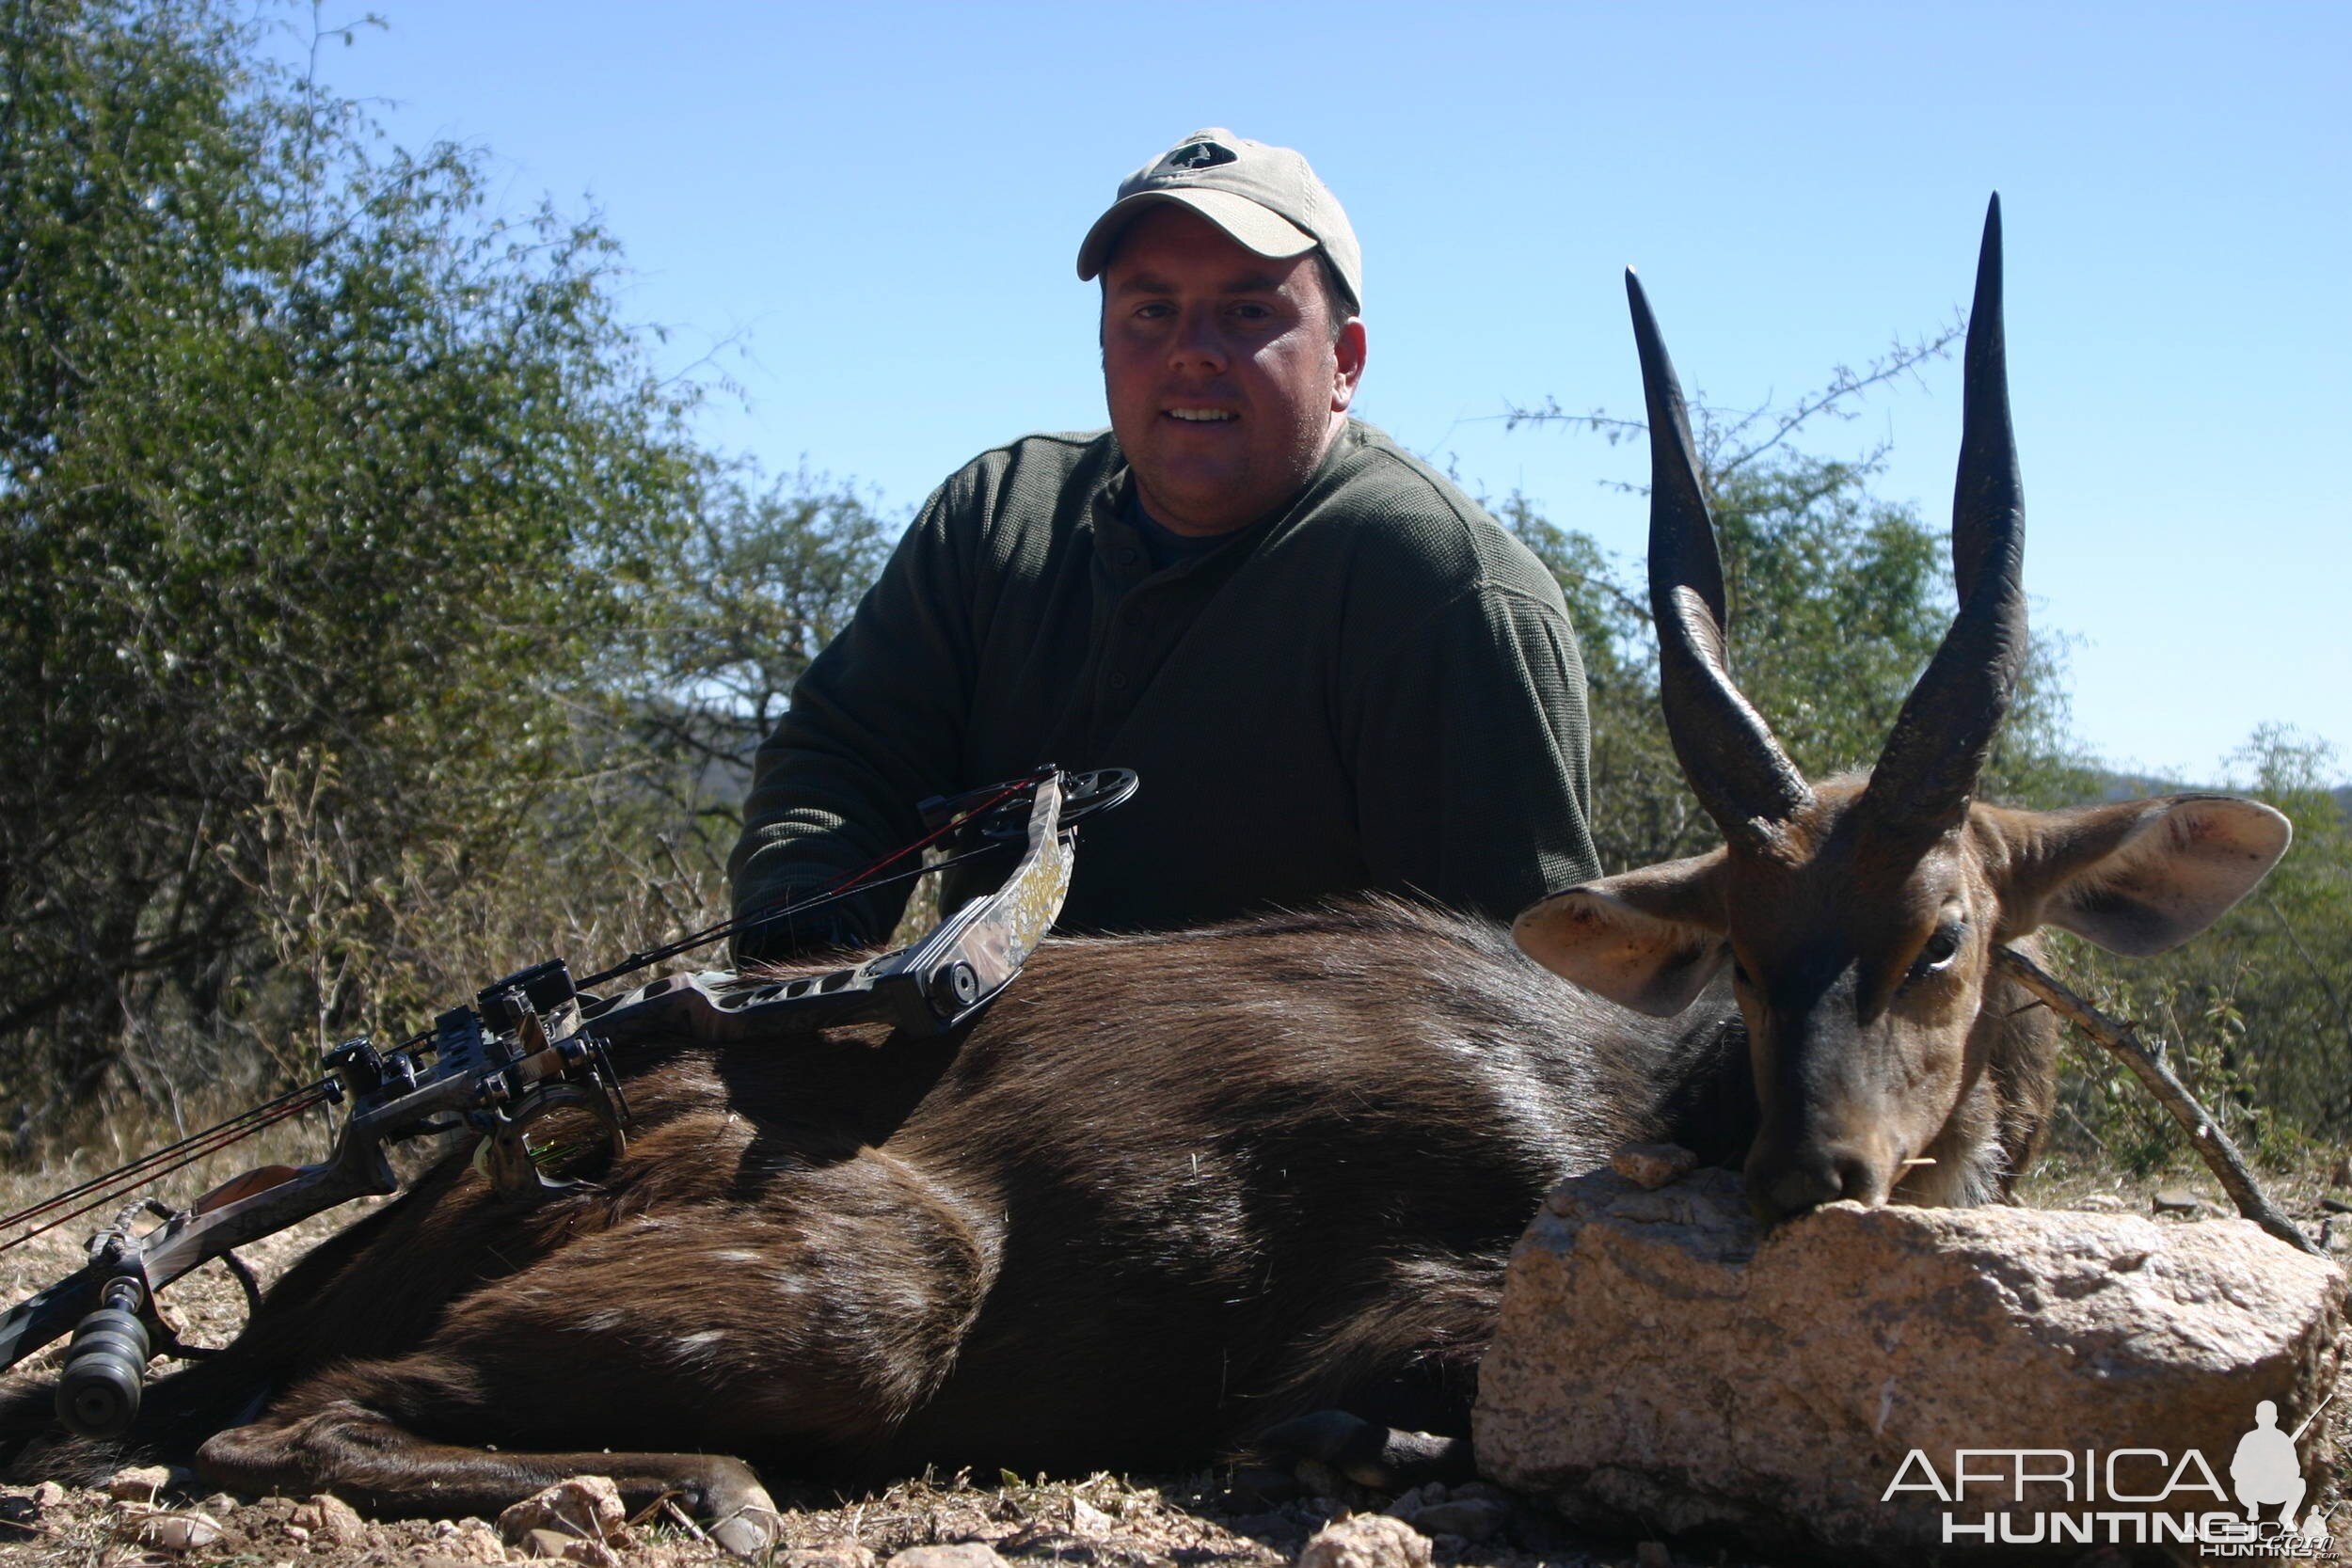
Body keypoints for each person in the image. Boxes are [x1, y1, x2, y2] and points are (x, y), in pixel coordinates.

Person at [728, 128, 1599, 961]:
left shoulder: (1446, 592)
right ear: (1104, 342)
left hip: (1293, 1109)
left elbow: (1524, 996)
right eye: (1151, 309)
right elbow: (843, 759)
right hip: (971, 1089)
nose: (1192, 351)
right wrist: (804, 957)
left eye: (1248, 309)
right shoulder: (997, 515)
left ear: (1345, 362)